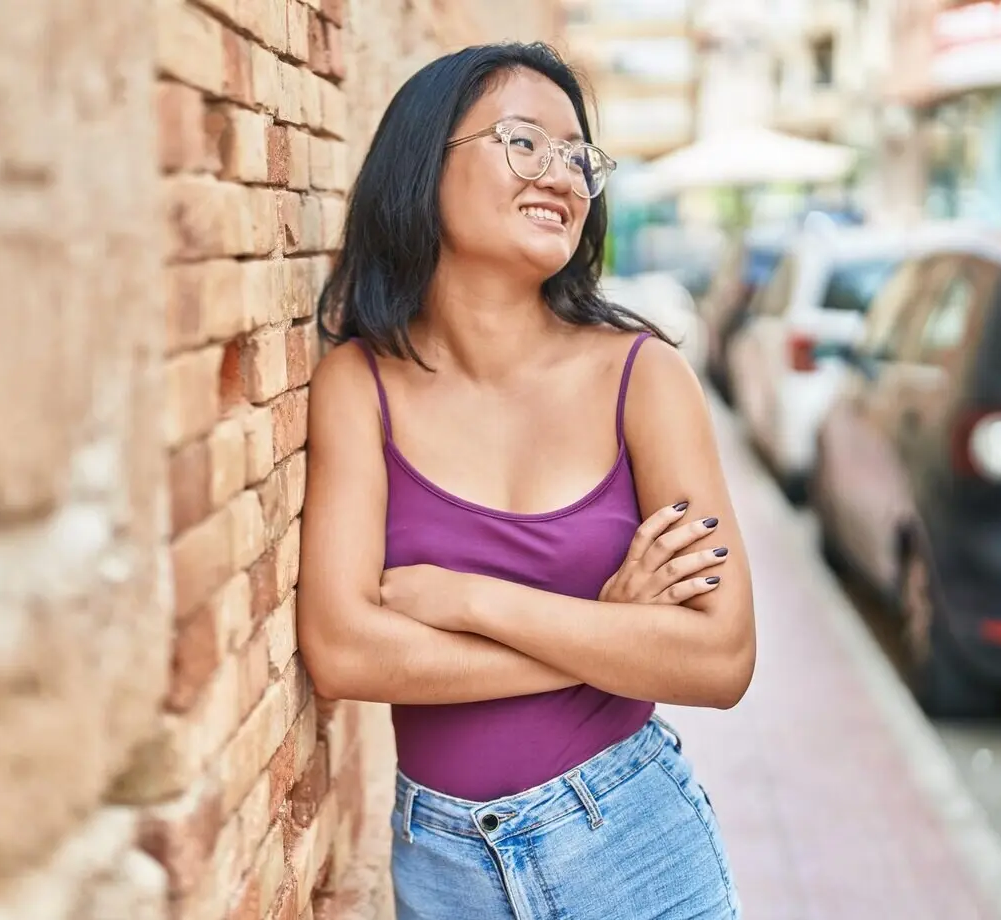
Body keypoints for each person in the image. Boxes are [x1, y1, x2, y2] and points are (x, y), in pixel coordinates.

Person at [296, 42, 755, 920]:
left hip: (633, 840)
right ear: (424, 164)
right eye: (523, 143)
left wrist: (471, 600)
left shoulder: (644, 376)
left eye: (580, 157)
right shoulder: (358, 385)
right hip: (440, 868)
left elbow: (721, 657)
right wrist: (609, 635)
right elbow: (344, 651)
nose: (563, 175)